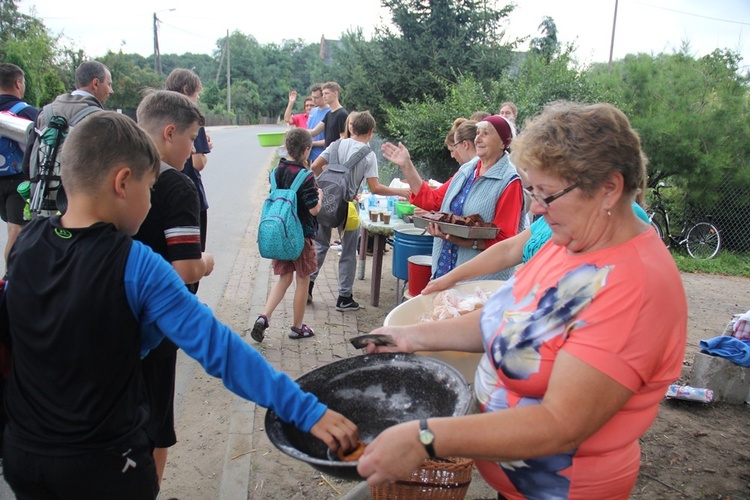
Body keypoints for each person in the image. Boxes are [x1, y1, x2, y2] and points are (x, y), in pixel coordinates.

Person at [0, 111, 359, 499]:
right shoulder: (137, 265)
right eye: (150, 188)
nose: (149, 201)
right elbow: (221, 349)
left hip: (24, 456)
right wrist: (307, 411)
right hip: (103, 466)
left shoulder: (28, 243)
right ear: (123, 182)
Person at [358, 102, 687, 499]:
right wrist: (411, 337)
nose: (534, 208)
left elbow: (559, 424)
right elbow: (503, 319)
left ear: (609, 189)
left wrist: (425, 438)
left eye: (546, 194)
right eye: (532, 191)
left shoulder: (635, 287)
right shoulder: (571, 239)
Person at [133, 90, 216, 485]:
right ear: (169, 133)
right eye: (192, 138)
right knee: (155, 422)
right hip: (158, 323)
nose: (194, 149)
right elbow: (185, 270)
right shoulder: (176, 186)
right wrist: (208, 262)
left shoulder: (107, 174)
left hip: (104, 318)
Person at [382, 115, 525, 281]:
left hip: (480, 280)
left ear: (503, 142)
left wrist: (468, 242)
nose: (478, 138)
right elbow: (433, 201)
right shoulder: (468, 170)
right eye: (477, 133)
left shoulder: (509, 181)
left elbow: (506, 242)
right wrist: (407, 166)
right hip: (447, 265)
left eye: (485, 133)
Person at [308, 111, 409, 310]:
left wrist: (327, 186)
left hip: (326, 201)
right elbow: (375, 188)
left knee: (320, 245)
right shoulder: (368, 155)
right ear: (371, 132)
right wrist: (402, 192)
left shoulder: (335, 144)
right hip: (349, 207)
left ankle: (307, 288)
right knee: (347, 251)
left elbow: (315, 166)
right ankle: (344, 297)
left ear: (351, 128)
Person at [251, 128, 322, 342]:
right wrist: (320, 195)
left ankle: (264, 316)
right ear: (307, 149)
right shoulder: (306, 176)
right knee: (302, 280)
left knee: (284, 278)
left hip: (280, 234)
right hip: (301, 236)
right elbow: (313, 210)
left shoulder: (275, 172)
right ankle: (297, 327)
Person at [23, 61, 113, 214]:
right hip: (82, 208)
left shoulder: (45, 112)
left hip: (44, 204)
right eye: (109, 84)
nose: (111, 91)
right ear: (96, 83)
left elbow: (27, 165)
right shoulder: (102, 119)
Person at [165, 68, 213, 253]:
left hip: (162, 191)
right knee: (192, 256)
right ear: (186, 89)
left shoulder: (157, 114)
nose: (198, 99)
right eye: (197, 93)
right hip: (189, 192)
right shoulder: (192, 118)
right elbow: (198, 163)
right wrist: (204, 151)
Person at [0, 63, 38, 269]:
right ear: (18, 83)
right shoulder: (29, 113)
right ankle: (11, 279)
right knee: (16, 231)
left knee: (10, 228)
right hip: (19, 182)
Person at [307, 81, 348, 148]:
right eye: (323, 94)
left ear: (335, 93)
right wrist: (295, 133)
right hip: (327, 153)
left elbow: (343, 140)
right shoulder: (329, 114)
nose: (324, 96)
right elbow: (314, 132)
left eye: (326, 93)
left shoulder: (341, 114)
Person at [307, 83, 330, 163]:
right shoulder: (312, 111)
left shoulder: (330, 113)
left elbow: (331, 139)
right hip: (309, 155)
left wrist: (313, 143)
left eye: (316, 98)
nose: (313, 100)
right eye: (312, 97)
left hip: (323, 156)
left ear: (323, 96)